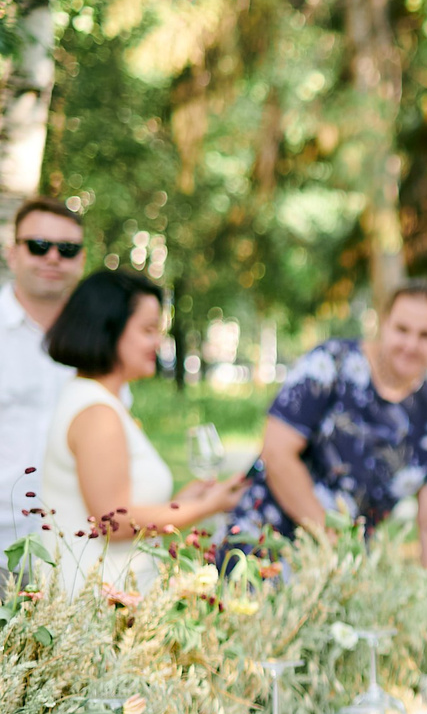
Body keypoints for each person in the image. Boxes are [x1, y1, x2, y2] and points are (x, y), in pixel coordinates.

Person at [224, 280, 427, 567]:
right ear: (383, 324)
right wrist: (330, 542)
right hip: (264, 545)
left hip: (346, 569)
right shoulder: (331, 363)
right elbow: (276, 452)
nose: (411, 344)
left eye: (426, 335)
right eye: (402, 329)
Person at [37, 270, 247, 588]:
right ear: (109, 329)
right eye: (148, 330)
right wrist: (207, 506)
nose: (158, 342)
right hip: (97, 606)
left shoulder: (96, 398)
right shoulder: (97, 412)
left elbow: (124, 507)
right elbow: (114, 521)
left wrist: (184, 501)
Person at [1, 197, 89, 556]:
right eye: (39, 246)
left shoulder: (100, 342)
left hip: (75, 548)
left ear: (81, 260)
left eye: (67, 249)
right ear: (13, 254)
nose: (53, 257)